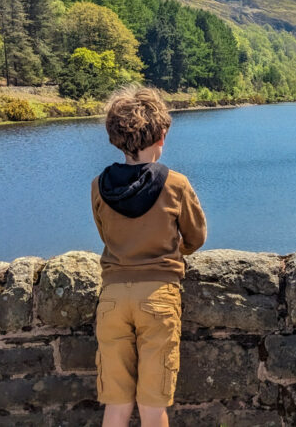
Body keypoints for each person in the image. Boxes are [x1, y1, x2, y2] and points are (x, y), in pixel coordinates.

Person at [91, 85, 206, 427]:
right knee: (153, 406)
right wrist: (172, 249)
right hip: (158, 297)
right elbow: (195, 237)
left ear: (115, 136)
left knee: (117, 405)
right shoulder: (176, 184)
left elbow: (106, 236)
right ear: (162, 135)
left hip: (112, 299)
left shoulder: (99, 185)